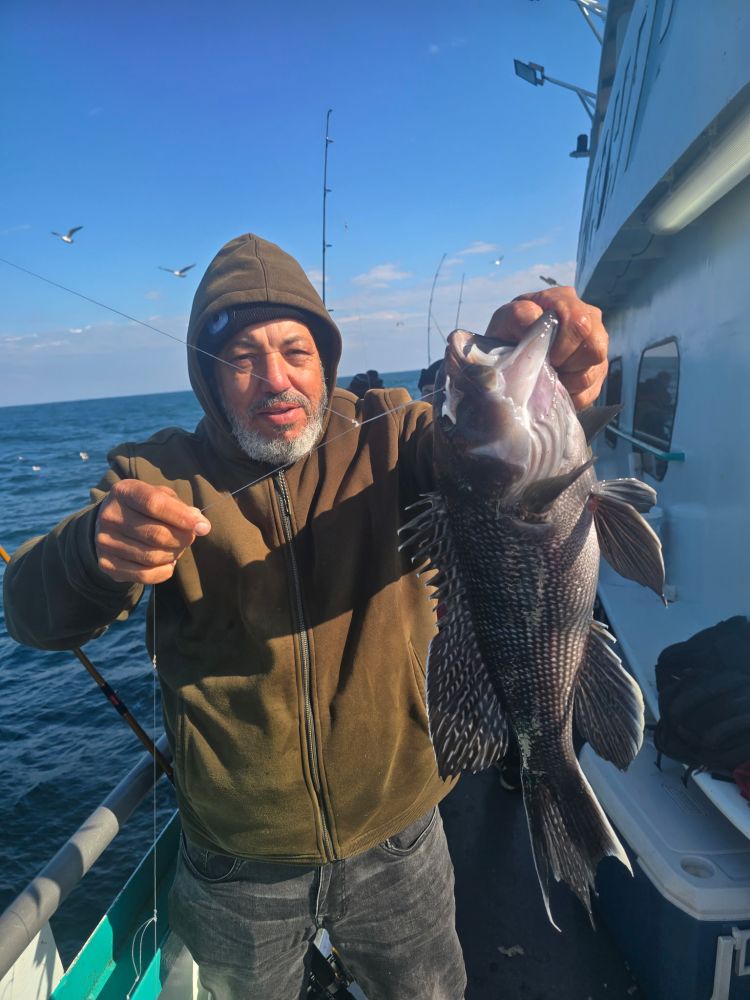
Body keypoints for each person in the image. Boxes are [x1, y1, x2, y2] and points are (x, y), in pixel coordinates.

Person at [3, 233, 609, 1000]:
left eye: (296, 349)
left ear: (327, 358)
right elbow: (30, 614)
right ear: (205, 376)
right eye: (243, 358)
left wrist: (561, 375)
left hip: (402, 841)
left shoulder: (396, 432)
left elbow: (496, 456)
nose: (275, 379)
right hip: (235, 868)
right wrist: (94, 550)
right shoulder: (153, 475)